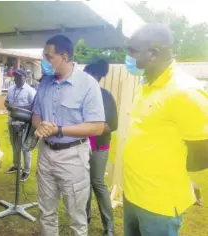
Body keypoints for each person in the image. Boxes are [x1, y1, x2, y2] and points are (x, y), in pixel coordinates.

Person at [123, 23, 208, 236]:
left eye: (132, 50)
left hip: (159, 204)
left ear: (153, 54)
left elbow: (204, 150)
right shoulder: (147, 84)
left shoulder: (185, 92)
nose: (128, 56)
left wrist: (180, 176)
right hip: (132, 194)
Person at [32, 35, 105, 236]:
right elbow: (36, 115)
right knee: (46, 212)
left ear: (64, 56)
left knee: (76, 216)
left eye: (49, 57)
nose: (45, 61)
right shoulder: (45, 83)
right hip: (46, 152)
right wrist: (40, 127)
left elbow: (97, 127)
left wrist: (60, 130)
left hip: (73, 155)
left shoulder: (88, 84)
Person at [84, 59, 118, 236]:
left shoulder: (106, 96)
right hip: (81, 147)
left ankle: (109, 226)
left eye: (88, 74)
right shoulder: (82, 95)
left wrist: (93, 128)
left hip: (99, 147)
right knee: (84, 184)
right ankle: (85, 218)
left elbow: (112, 124)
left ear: (96, 76)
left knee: (97, 182)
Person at [4, 69, 36, 182]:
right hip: (12, 120)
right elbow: (6, 102)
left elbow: (34, 106)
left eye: (19, 77)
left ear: (25, 77)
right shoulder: (11, 89)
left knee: (25, 147)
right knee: (14, 145)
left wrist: (18, 109)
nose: (16, 79)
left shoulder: (30, 91)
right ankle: (17, 166)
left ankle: (26, 171)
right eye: (15, 77)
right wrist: (8, 105)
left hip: (24, 123)